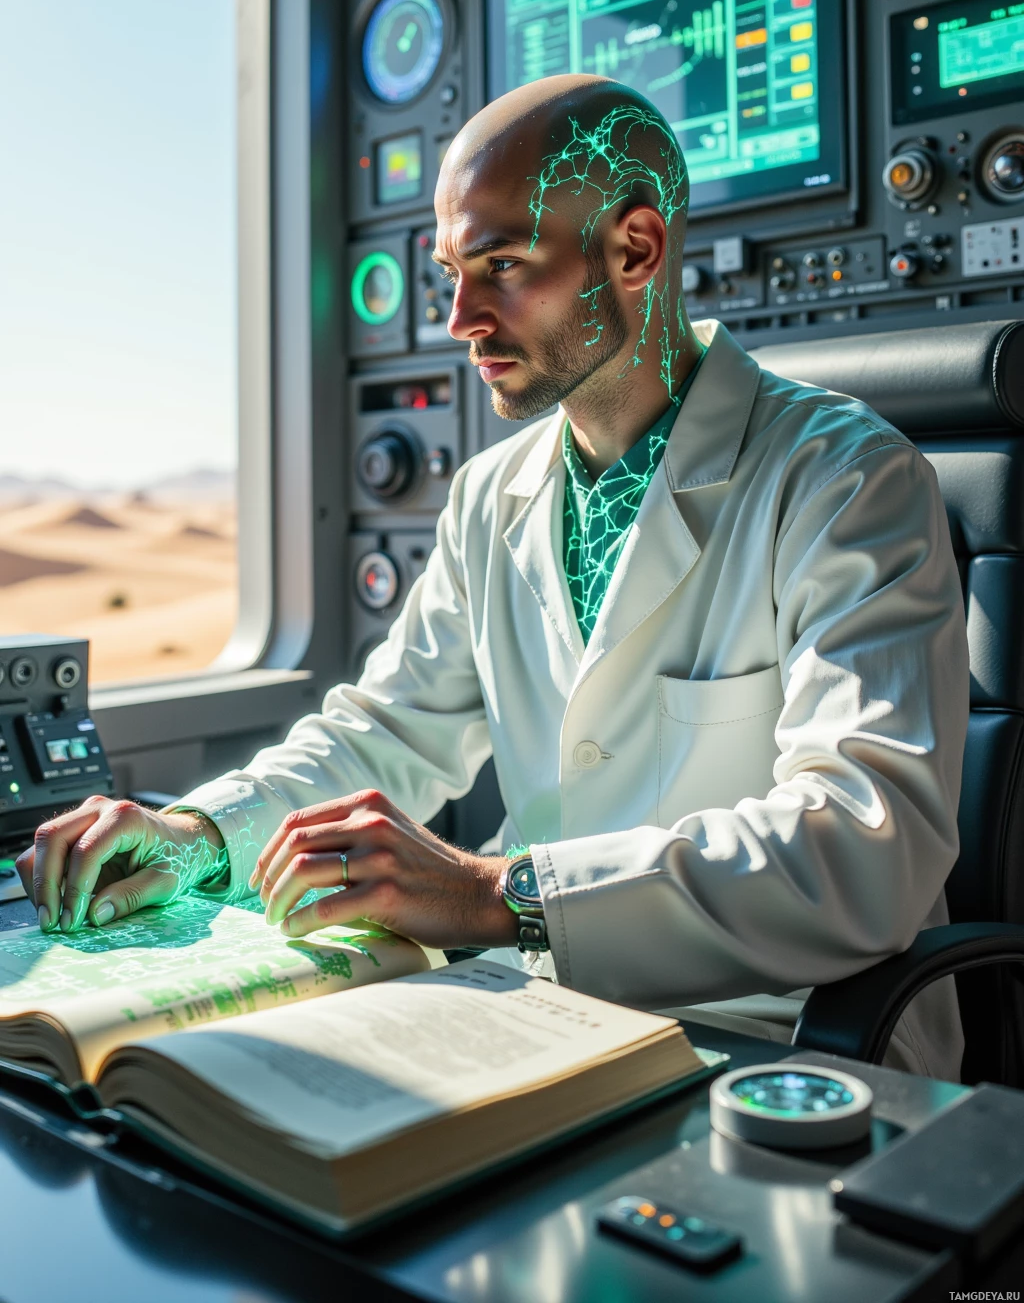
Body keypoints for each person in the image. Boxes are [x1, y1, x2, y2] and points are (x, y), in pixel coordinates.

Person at [17, 76, 970, 1078]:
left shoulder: (845, 475)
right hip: (538, 1010)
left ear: (634, 250)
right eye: (449, 272)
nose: (459, 317)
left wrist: (492, 896)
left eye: (502, 265)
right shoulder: (488, 495)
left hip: (780, 1038)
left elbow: (865, 845)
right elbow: (386, 730)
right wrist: (195, 834)